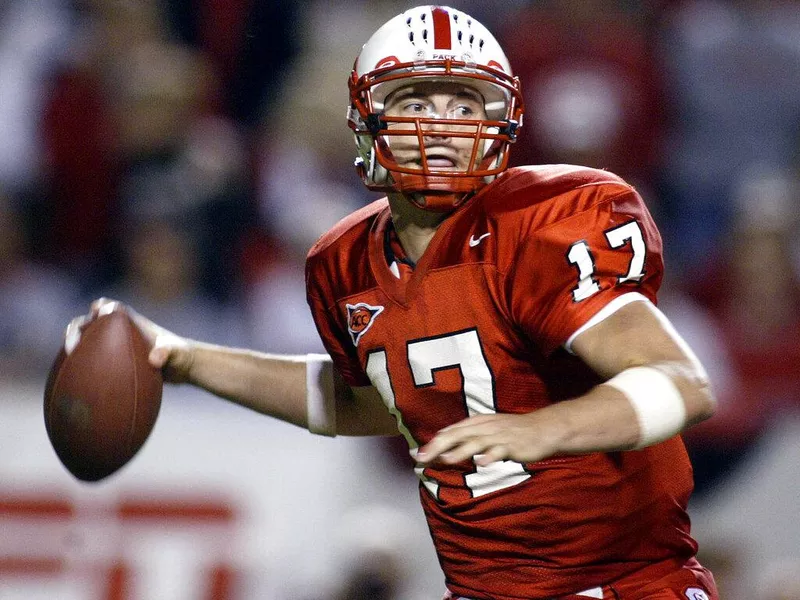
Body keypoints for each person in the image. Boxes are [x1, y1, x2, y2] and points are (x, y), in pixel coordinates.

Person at [73, 6, 719, 600]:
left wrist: (539, 429)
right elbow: (377, 401)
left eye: (463, 103)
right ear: (366, 120)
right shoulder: (344, 262)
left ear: (500, 122)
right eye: (416, 100)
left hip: (624, 585)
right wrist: (186, 360)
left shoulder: (548, 222)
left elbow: (679, 382)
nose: (440, 125)